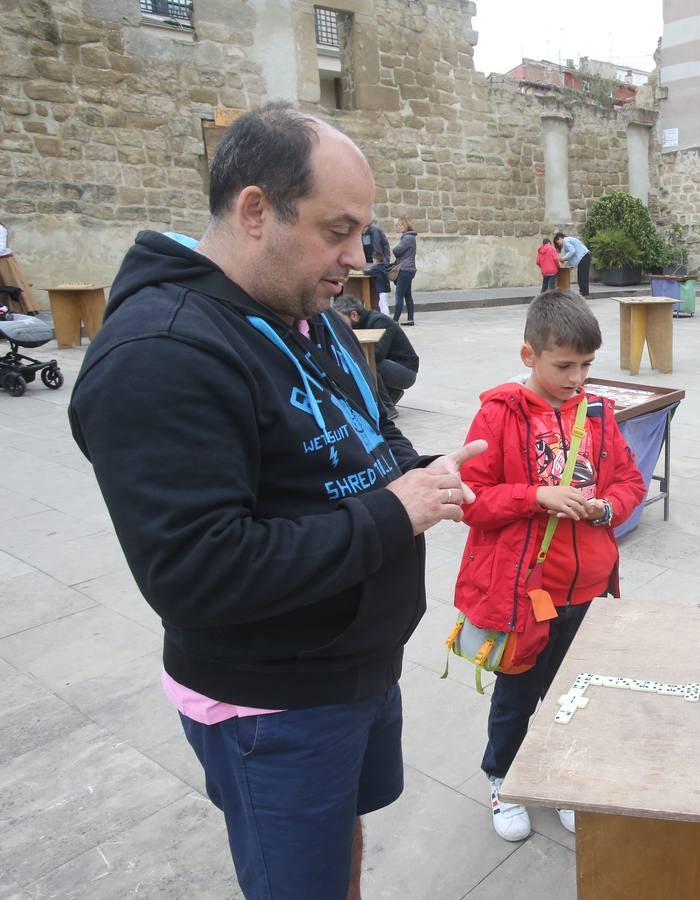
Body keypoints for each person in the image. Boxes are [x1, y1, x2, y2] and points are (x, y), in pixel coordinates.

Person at [67, 102, 485, 900]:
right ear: (256, 210)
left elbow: (370, 428)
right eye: (338, 230)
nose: (357, 258)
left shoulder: (301, 304)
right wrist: (397, 512)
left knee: (340, 847)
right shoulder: (160, 354)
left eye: (362, 232)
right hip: (270, 703)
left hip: (354, 666)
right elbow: (198, 571)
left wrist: (425, 472)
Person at [454, 289, 647, 842]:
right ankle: (503, 777)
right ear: (528, 357)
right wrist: (536, 496)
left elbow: (629, 481)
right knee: (516, 696)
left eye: (586, 365)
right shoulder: (498, 414)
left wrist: (608, 507)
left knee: (571, 694)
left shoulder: (598, 412)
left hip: (587, 587)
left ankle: (560, 776)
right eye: (564, 365)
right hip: (527, 594)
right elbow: (472, 501)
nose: (577, 377)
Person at [332, 294, 419, 419]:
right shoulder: (357, 325)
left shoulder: (379, 321)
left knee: (369, 362)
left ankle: (388, 408)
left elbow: (378, 354)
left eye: (340, 319)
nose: (338, 324)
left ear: (354, 315)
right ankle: (391, 394)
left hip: (406, 371)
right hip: (390, 368)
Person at [391, 216, 417, 326]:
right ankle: (410, 319)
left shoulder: (407, 238)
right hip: (409, 269)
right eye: (398, 225)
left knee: (399, 295)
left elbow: (396, 251)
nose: (399, 227)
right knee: (407, 295)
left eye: (401, 225)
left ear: (406, 225)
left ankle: (395, 321)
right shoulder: (410, 237)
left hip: (405, 269)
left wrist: (395, 249)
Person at [554, 231, 591, 296]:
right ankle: (583, 294)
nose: (559, 245)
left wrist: (562, 259)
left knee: (582, 278)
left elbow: (572, 251)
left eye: (558, 243)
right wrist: (567, 265)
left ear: (560, 238)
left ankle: (584, 295)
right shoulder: (567, 242)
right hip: (584, 257)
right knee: (581, 277)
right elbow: (572, 257)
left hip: (584, 257)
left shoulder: (566, 240)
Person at [363, 250, 392, 315]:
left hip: (381, 289)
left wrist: (362, 270)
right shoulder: (384, 266)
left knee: (384, 304)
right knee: (381, 303)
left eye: (373, 259)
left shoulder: (376, 268)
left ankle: (387, 317)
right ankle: (383, 316)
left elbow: (367, 273)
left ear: (376, 260)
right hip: (386, 288)